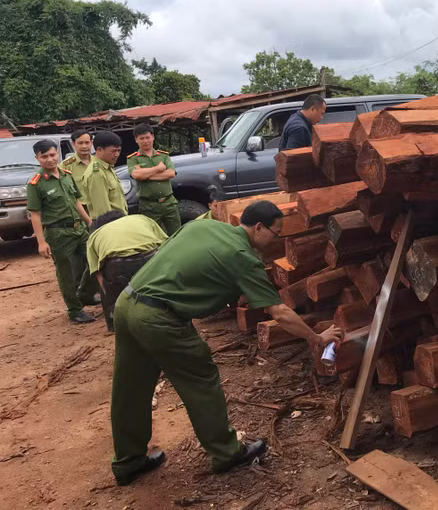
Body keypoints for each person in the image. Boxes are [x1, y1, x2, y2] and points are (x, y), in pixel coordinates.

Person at [110, 201, 343, 485]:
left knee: (130, 386)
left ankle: (128, 461)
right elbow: (279, 312)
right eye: (276, 233)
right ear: (258, 227)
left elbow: (187, 264)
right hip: (160, 318)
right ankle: (227, 452)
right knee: (200, 379)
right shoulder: (243, 256)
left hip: (127, 302)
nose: (276, 241)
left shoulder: (205, 226)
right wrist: (316, 338)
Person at [25, 139, 99, 324]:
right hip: (58, 235)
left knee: (96, 260)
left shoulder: (67, 175)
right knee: (65, 274)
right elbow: (35, 214)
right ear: (37, 158)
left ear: (58, 154)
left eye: (52, 155)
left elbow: (76, 202)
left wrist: (89, 222)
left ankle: (86, 294)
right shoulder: (36, 183)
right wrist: (41, 242)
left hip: (79, 229)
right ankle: (75, 310)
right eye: (44, 157)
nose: (49, 160)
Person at [86, 210, 167, 332]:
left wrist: (110, 295)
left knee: (116, 296)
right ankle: (166, 315)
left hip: (118, 266)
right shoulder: (141, 218)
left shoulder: (95, 235)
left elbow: (96, 271)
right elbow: (165, 245)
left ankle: (116, 324)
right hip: (150, 258)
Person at [127, 124, 180, 235]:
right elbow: (136, 175)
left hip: (169, 203)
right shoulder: (133, 158)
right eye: (141, 138)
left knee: (176, 234)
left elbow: (170, 173)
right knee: (153, 237)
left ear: (153, 137)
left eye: (147, 137)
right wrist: (158, 168)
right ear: (136, 140)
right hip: (148, 206)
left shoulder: (163, 156)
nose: (145, 141)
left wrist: (145, 175)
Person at [84, 130, 126, 219]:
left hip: (118, 221)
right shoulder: (96, 172)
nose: (117, 154)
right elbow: (103, 211)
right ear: (99, 150)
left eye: (119, 150)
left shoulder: (108, 167)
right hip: (109, 224)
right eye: (113, 151)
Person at [61, 129, 95, 209]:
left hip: (98, 206)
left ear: (91, 143)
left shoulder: (98, 162)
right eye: (80, 143)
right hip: (79, 208)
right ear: (73, 144)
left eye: (87, 143)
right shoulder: (66, 165)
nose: (84, 146)